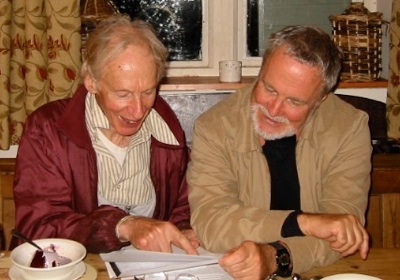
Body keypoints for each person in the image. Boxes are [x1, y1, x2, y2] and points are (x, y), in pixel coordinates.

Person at [187, 25, 372, 279]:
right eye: (269, 89)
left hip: (323, 271)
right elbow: (212, 223)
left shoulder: (349, 128)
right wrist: (304, 222)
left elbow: (342, 234)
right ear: (260, 72)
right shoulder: (215, 127)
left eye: (294, 101)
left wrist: (276, 257)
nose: (273, 109)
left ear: (320, 100)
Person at [11, 15, 199, 255]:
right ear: (91, 81)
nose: (138, 110)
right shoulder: (47, 130)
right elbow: (39, 227)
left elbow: (183, 210)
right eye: (123, 94)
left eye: (148, 91)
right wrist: (121, 226)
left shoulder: (169, 136)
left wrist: (186, 230)